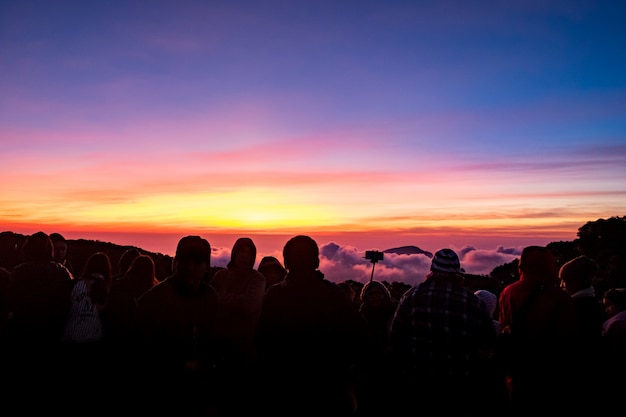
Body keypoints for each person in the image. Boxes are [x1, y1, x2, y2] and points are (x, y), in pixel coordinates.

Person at [255, 235, 369, 416]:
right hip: (329, 391)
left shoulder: (275, 295)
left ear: (286, 263)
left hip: (283, 391)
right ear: (317, 262)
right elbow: (360, 338)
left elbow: (262, 342)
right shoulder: (335, 295)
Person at [389, 248, 497, 416]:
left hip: (417, 384)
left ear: (432, 270)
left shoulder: (411, 296)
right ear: (457, 273)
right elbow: (488, 343)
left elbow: (395, 338)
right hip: (459, 388)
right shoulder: (473, 302)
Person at [132, 235, 220, 415]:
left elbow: (216, 341)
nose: (190, 267)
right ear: (175, 262)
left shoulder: (210, 298)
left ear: (206, 267)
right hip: (162, 395)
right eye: (184, 260)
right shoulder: (153, 300)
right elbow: (141, 354)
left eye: (197, 262)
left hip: (201, 392)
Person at [497, 245, 577, 415]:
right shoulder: (559, 298)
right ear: (549, 266)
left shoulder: (508, 292)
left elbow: (504, 325)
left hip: (516, 372)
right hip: (550, 377)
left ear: (522, 266)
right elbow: (568, 336)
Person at [3, 231, 74, 413]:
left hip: (23, 332)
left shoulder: (18, 272)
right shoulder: (63, 273)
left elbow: (9, 302)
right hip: (53, 333)